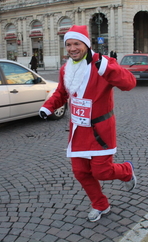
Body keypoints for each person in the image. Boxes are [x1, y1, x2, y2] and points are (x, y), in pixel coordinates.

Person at [38, 25, 137, 222]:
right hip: (78, 130)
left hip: (101, 129)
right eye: (68, 45)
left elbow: (129, 83)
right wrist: (48, 107)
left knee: (102, 171)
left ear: (86, 45)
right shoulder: (66, 68)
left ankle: (126, 171)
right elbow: (62, 92)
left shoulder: (104, 63)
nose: (72, 48)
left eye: (76, 44)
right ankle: (100, 204)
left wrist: (103, 66)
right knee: (81, 172)